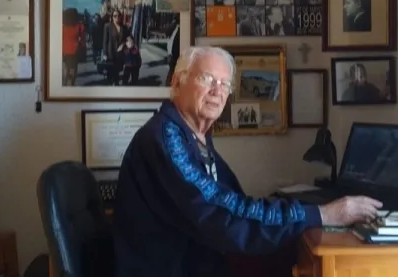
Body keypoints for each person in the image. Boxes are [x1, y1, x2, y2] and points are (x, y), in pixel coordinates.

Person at [113, 46, 383, 277]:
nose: (217, 91)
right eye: (207, 79)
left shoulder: (194, 136)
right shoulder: (166, 139)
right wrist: (322, 214)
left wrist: (308, 212)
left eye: (225, 84)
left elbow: (233, 201)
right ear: (177, 82)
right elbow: (220, 214)